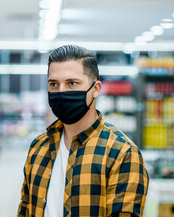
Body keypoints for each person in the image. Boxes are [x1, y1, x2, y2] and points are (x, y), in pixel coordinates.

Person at [17, 45, 149, 217]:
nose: (61, 92)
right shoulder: (38, 147)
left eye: (72, 83)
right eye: (54, 84)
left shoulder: (121, 153)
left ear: (95, 89)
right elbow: (26, 209)